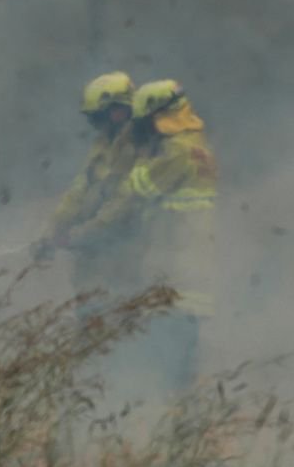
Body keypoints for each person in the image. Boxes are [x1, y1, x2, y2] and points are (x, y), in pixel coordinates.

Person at [66, 79, 217, 388]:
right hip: (190, 266)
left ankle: (173, 423)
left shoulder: (176, 154)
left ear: (159, 116)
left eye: (143, 121)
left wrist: (83, 234)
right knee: (177, 362)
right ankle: (181, 420)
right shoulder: (198, 148)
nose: (139, 129)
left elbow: (129, 198)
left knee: (167, 362)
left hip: (171, 268)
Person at [35, 72, 142, 308]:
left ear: (120, 110)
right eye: (94, 119)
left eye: (101, 116)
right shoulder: (103, 145)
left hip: (127, 257)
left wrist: (81, 234)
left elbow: (124, 202)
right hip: (94, 258)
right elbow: (78, 191)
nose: (98, 124)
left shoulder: (138, 146)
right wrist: (52, 230)